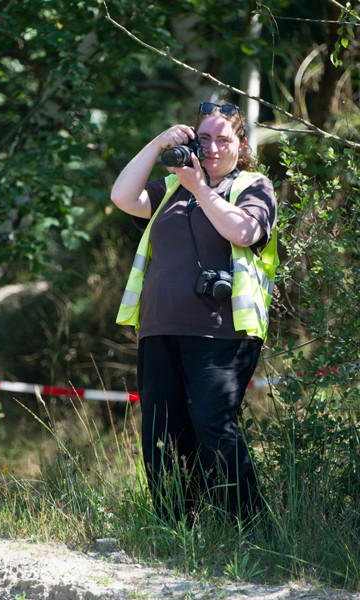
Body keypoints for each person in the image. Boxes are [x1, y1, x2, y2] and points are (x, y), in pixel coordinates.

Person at [111, 100, 278, 523]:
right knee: (161, 434)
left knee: (212, 426)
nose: (212, 147)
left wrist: (201, 187)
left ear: (240, 145)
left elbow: (244, 230)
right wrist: (157, 143)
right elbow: (122, 196)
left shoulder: (254, 186)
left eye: (223, 139)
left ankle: (246, 528)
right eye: (203, 138)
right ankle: (176, 528)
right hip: (158, 327)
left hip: (223, 332)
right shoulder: (169, 189)